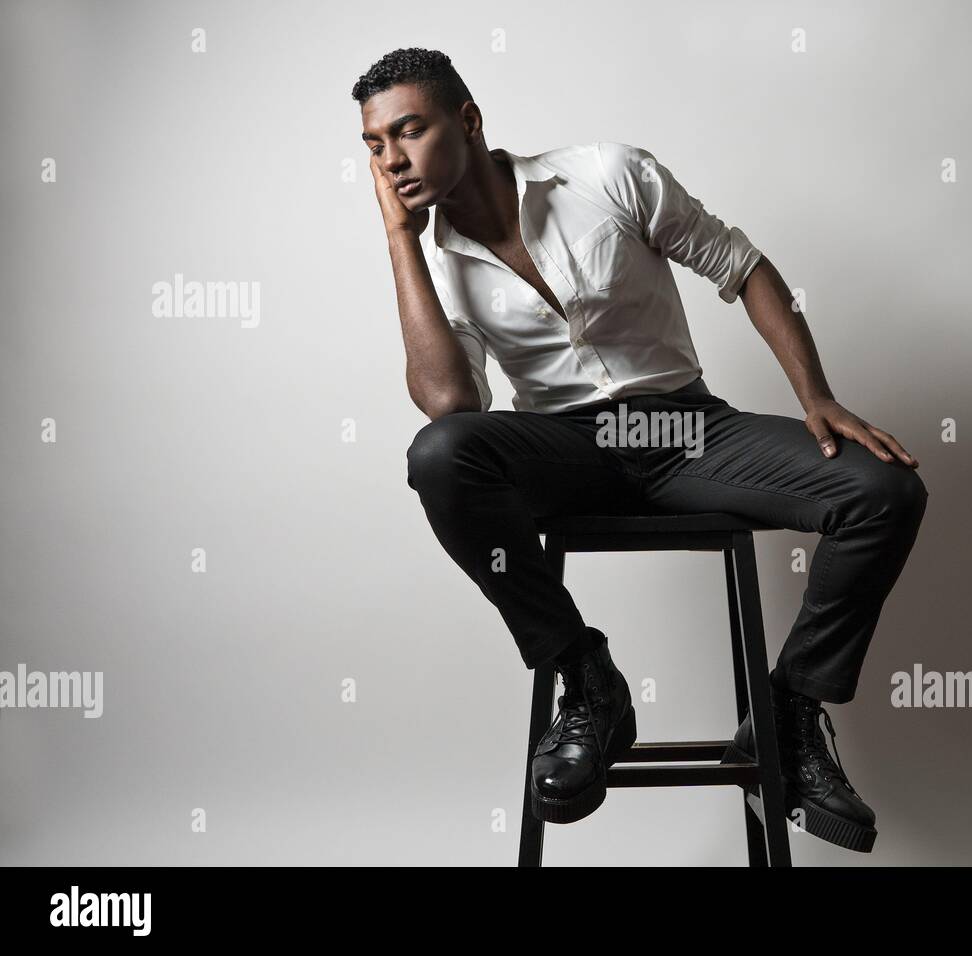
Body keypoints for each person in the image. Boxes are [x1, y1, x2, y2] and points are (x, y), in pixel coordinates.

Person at [353, 47, 928, 852]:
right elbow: (452, 402)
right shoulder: (434, 262)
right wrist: (400, 241)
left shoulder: (606, 175)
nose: (392, 159)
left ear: (469, 121)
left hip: (684, 431)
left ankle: (786, 717)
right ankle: (586, 680)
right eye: (375, 144)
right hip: (565, 449)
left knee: (884, 491)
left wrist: (816, 398)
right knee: (440, 454)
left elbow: (743, 264)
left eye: (408, 131)